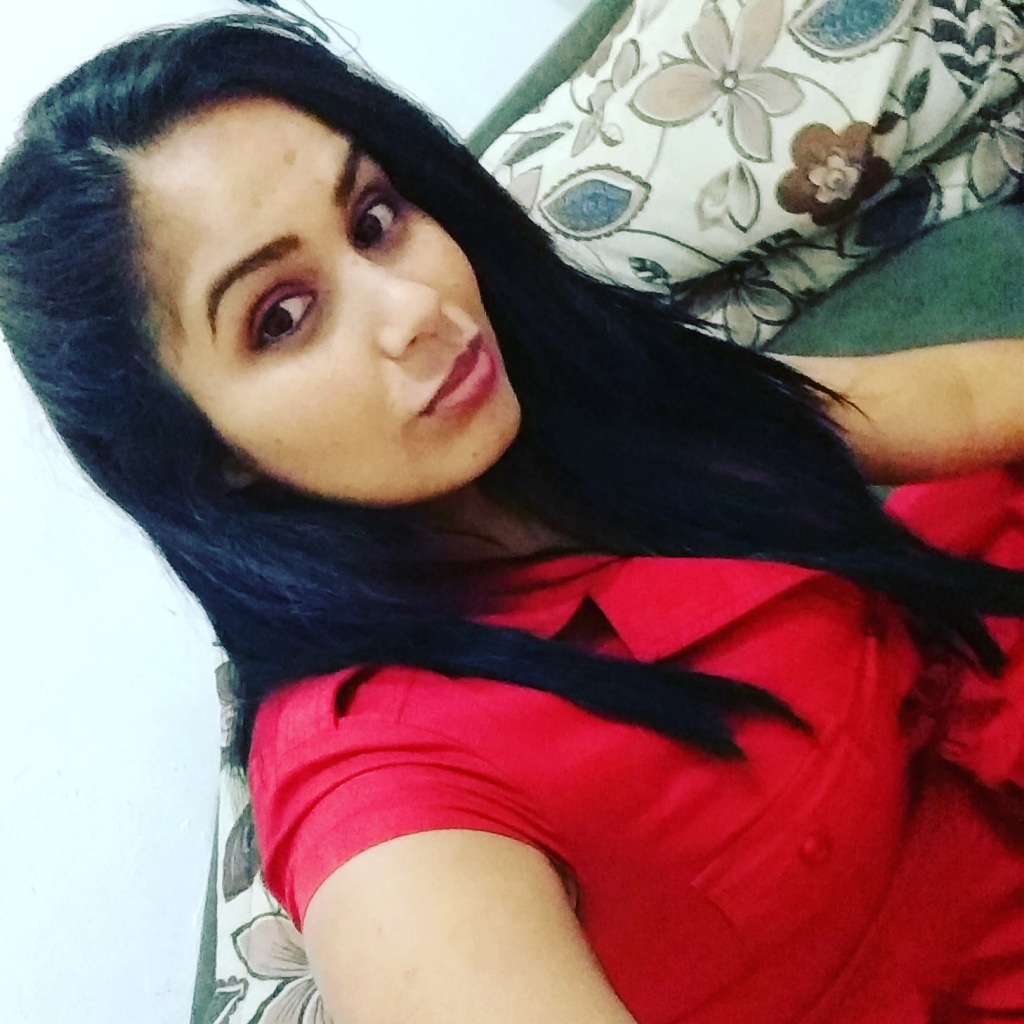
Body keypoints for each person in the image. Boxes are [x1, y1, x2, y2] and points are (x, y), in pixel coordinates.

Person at [2, 12, 1024, 1024]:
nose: (415, 308)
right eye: (283, 316)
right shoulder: (387, 797)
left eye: (374, 219)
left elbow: (948, 403)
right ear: (203, 450)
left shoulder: (576, 392)